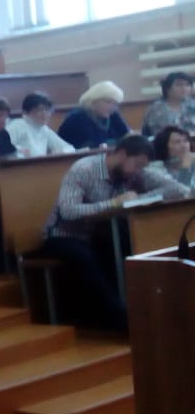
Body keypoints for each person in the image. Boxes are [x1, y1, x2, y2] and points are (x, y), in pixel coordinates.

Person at [41, 135, 189, 332]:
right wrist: (113, 203)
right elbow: (68, 210)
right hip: (64, 235)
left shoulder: (134, 172)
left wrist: (141, 198)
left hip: (103, 233)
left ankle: (150, 309)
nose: (139, 171)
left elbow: (177, 189)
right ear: (122, 154)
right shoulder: (84, 169)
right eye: (137, 165)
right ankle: (121, 320)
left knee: (136, 246)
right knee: (86, 257)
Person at [58, 81, 130, 149]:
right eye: (108, 102)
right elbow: (91, 147)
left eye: (115, 103)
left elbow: (128, 137)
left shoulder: (113, 115)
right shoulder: (76, 118)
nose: (113, 107)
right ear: (93, 101)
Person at [7, 92, 76, 157]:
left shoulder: (44, 128)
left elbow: (69, 148)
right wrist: (19, 151)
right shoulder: (17, 125)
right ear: (26, 112)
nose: (44, 114)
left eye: (47, 109)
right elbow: (5, 149)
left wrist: (62, 152)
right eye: (39, 110)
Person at [141, 71, 195, 136]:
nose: (184, 88)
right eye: (179, 85)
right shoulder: (155, 109)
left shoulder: (192, 105)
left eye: (187, 85)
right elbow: (150, 133)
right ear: (167, 88)